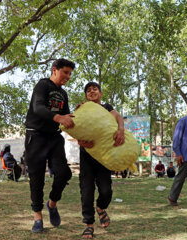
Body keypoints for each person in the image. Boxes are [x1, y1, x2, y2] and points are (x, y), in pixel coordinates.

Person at [24, 58, 75, 233]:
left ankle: (52, 204)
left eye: (69, 74)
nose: (67, 77)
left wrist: (79, 114)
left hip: (54, 138)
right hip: (35, 136)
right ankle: (37, 217)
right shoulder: (42, 86)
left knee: (64, 173)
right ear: (54, 70)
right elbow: (38, 107)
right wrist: (58, 117)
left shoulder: (64, 94)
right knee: (36, 178)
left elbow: (67, 117)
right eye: (65, 72)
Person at [77, 82, 125, 239]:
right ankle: (89, 225)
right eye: (88, 91)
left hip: (104, 156)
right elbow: (75, 128)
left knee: (106, 190)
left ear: (100, 93)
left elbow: (118, 118)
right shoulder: (82, 108)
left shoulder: (106, 107)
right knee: (86, 192)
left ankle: (101, 207)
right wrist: (81, 141)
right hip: (86, 156)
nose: (92, 92)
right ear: (86, 95)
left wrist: (121, 131)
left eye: (94, 89)